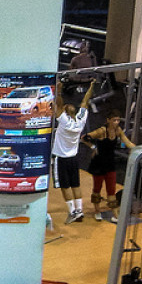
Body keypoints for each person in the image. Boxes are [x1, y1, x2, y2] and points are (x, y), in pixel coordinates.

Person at [52, 79, 96, 224]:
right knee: (75, 185)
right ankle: (79, 210)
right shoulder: (80, 120)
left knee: (65, 186)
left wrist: (59, 90)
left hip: (61, 158)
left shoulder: (64, 121)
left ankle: (72, 212)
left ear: (65, 112)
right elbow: (85, 102)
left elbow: (58, 105)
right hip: (74, 158)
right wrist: (91, 86)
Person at [81, 110, 135, 222]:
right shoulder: (101, 131)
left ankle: (115, 215)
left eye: (118, 120)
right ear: (108, 120)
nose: (116, 122)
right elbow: (84, 137)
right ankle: (97, 211)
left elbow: (128, 142)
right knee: (97, 189)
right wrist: (93, 147)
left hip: (110, 163)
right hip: (99, 164)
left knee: (111, 189)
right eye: (114, 120)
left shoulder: (118, 130)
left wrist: (139, 149)